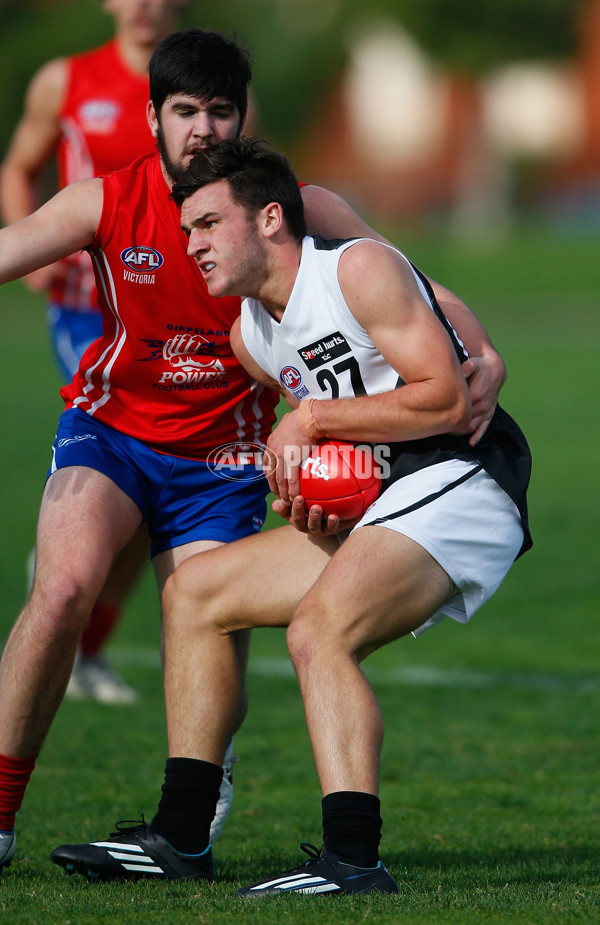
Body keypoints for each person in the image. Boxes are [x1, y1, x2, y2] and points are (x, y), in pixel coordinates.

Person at [0, 29, 506, 878]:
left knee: (214, 609)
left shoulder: (294, 208)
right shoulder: (108, 204)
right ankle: (24, 816)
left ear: (242, 119)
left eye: (220, 111)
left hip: (229, 456)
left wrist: (482, 356)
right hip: (115, 429)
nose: (202, 128)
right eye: (185, 111)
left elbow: (422, 291)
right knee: (61, 591)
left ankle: (204, 810)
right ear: (153, 116)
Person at [0, 0, 188, 704]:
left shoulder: (200, 86)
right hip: (86, 311)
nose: (145, 6)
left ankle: (88, 646)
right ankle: (66, 546)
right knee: (131, 462)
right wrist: (31, 246)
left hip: (169, 312)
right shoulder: (64, 80)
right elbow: (18, 165)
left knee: (148, 504)